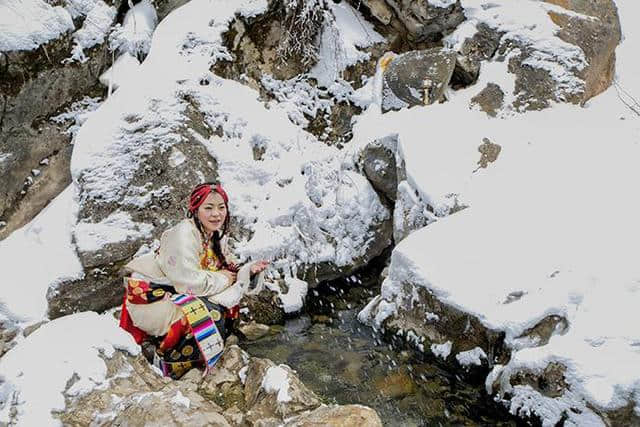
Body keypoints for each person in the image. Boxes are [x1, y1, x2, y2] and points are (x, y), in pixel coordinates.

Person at [119, 182, 269, 378]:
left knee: (221, 306)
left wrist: (247, 271)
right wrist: (225, 278)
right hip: (152, 299)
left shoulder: (213, 234)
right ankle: (166, 359)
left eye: (221, 207)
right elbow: (189, 282)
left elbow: (228, 266)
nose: (216, 214)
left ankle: (194, 358)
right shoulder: (183, 234)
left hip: (177, 291)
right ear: (196, 210)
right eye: (209, 208)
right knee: (206, 312)